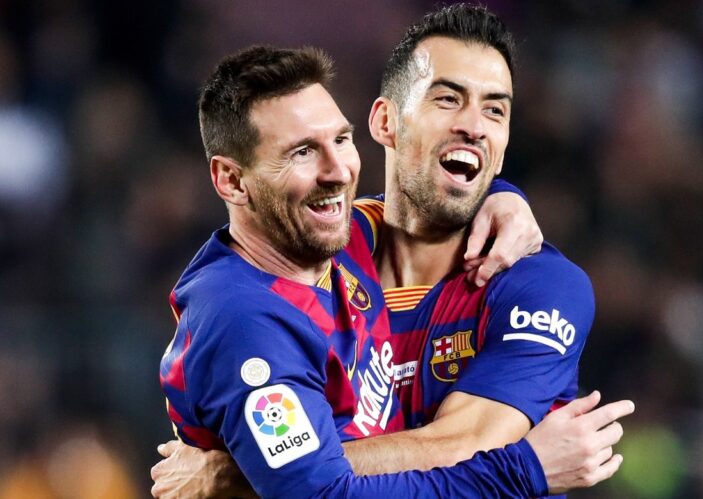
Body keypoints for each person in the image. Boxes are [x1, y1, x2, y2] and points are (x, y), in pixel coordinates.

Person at [155, 6, 634, 498]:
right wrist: (288, 476)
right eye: (447, 99)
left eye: (495, 110)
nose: (474, 126)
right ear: (386, 122)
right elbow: (321, 488)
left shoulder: (539, 286)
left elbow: (465, 443)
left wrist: (246, 477)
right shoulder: (308, 256)